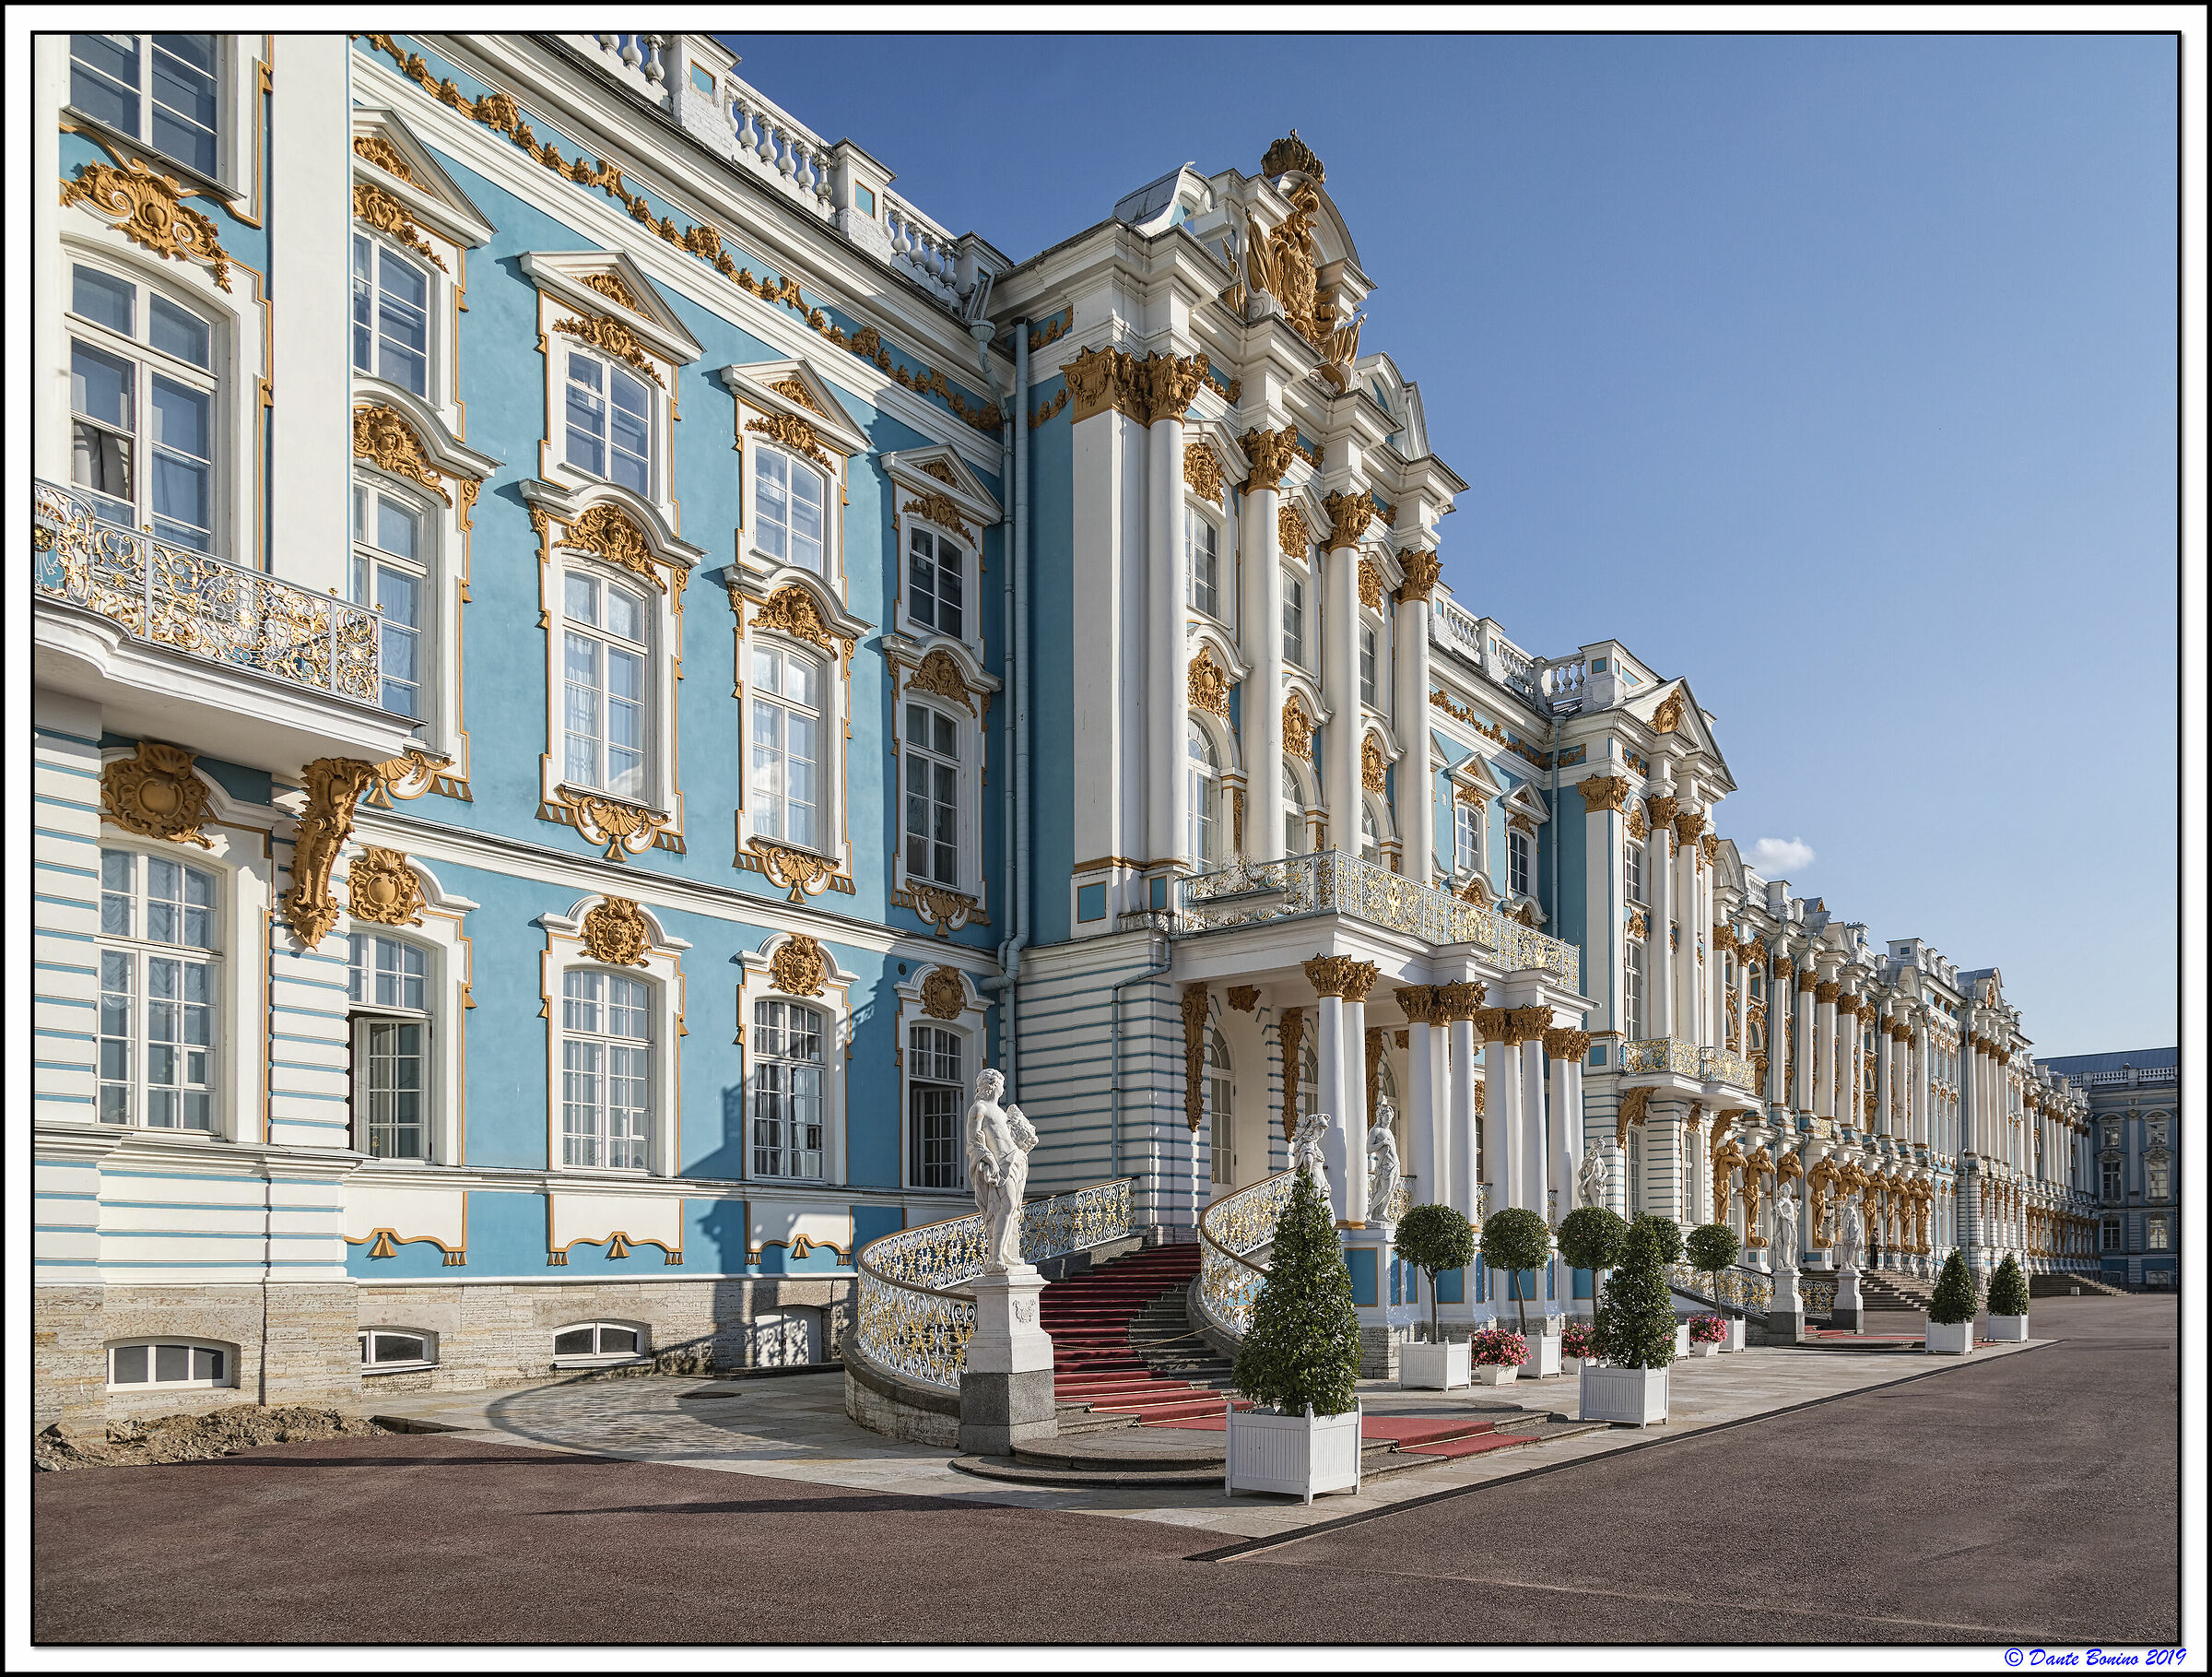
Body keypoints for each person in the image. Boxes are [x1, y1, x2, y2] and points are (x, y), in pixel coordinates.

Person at [965, 1069, 1035, 1272]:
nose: (1003, 1089)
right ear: (992, 1085)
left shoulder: (1001, 1112)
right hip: (999, 1165)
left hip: (1013, 1161)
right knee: (1007, 1205)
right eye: (1001, 1085)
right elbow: (973, 1142)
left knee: (1012, 1208)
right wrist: (989, 1160)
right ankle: (995, 1257)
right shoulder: (978, 1108)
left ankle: (1004, 1252)